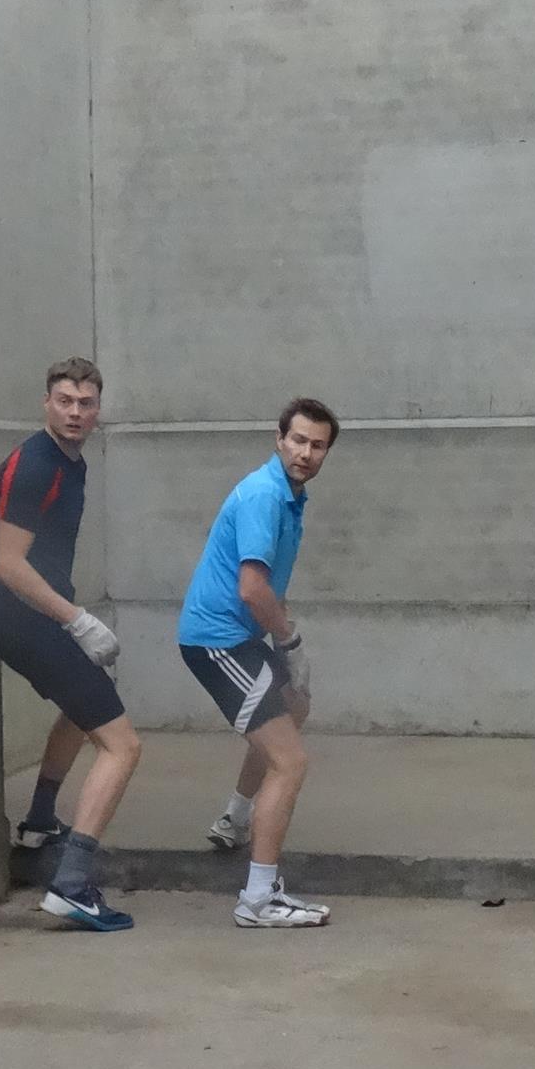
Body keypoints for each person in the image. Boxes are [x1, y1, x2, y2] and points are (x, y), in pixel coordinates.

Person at [0, 358, 141, 933]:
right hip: (22, 619)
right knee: (122, 745)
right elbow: (6, 564)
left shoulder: (68, 462)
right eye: (65, 401)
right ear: (46, 403)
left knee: (90, 704)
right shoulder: (35, 465)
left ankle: (40, 820)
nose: (76, 412)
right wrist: (77, 621)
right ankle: (71, 884)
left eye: (86, 403)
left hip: (36, 616)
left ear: (98, 410)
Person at [177, 398, 341, 929]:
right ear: (278, 438)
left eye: (317, 446)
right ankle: (258, 898)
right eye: (297, 440)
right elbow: (251, 589)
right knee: (289, 761)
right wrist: (289, 643)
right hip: (217, 642)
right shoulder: (265, 496)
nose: (306, 452)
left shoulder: (291, 498)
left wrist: (288, 650)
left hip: (244, 636)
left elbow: (268, 588)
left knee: (292, 707)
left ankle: (235, 818)